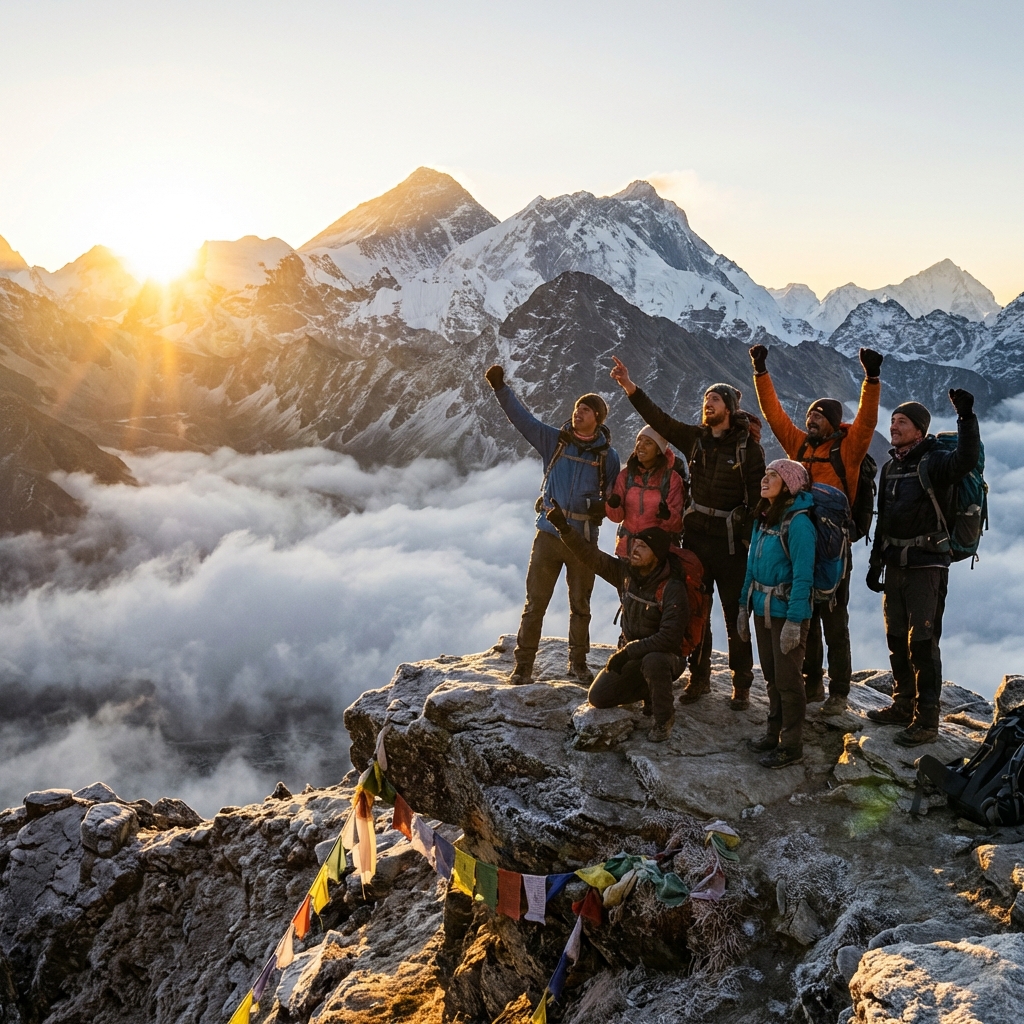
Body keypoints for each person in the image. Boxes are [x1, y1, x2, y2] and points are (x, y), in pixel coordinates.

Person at [610, 356, 765, 709]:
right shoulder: (695, 439)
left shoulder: (748, 449)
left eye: (715, 399)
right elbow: (658, 419)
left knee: (735, 613)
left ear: (729, 408)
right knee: (697, 611)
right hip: (696, 541)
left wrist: (749, 538)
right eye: (706, 399)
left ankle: (742, 682)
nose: (707, 404)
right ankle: (700, 677)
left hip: (729, 546)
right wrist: (629, 387)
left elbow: (758, 500)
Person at [749, 344, 884, 716]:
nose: (810, 420)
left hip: (835, 545)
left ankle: (839, 691)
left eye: (818, 416)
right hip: (800, 542)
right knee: (805, 614)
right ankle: (812, 683)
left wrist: (871, 380)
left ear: (832, 421)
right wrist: (761, 371)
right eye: (809, 414)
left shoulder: (849, 449)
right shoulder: (799, 447)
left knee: (834, 618)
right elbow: (774, 416)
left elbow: (868, 422)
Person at [485, 364, 621, 685]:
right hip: (548, 535)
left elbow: (615, 499)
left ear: (597, 418)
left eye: (585, 410)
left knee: (580, 606)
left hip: (583, 539)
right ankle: (523, 666)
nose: (578, 413)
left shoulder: (607, 457)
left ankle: (578, 662)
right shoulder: (554, 442)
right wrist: (500, 389)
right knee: (535, 604)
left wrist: (601, 507)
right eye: (577, 408)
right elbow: (523, 421)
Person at [865, 389, 980, 746]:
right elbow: (883, 518)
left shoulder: (934, 463)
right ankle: (902, 705)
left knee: (923, 642)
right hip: (895, 564)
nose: (894, 426)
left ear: (920, 431)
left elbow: (965, 459)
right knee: (897, 636)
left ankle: (927, 720)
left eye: (902, 422)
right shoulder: (891, 467)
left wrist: (965, 418)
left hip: (928, 565)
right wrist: (875, 563)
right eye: (893, 420)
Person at [545, 502, 688, 742]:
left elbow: (670, 638)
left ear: (658, 555)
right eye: (636, 544)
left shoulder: (672, 588)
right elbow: (592, 557)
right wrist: (564, 528)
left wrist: (628, 652)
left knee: (654, 661)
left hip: (667, 658)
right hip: (633, 655)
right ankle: (649, 689)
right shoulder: (626, 574)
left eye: (644, 547)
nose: (635, 549)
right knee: (598, 697)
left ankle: (664, 719)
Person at [737, 460, 816, 769]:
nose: (765, 479)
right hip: (762, 608)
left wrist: (795, 621)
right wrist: (744, 606)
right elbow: (751, 568)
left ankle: (792, 745)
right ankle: (773, 732)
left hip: (786, 612)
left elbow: (803, 576)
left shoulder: (798, 524)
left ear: (789, 484)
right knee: (771, 675)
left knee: (788, 678)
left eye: (774, 476)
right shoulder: (764, 519)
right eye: (765, 473)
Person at [605, 425, 685, 557]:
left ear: (659, 450)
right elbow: (617, 518)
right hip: (627, 549)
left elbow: (678, 525)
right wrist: (613, 506)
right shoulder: (626, 475)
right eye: (639, 440)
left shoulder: (671, 479)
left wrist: (667, 515)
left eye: (648, 443)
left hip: (656, 552)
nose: (640, 446)